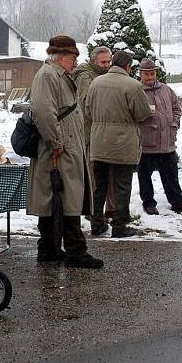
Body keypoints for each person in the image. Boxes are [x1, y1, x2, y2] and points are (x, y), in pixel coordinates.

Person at [28, 35, 103, 268]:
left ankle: (50, 248)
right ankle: (75, 250)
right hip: (59, 149)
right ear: (60, 57)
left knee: (61, 199)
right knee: (65, 199)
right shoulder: (49, 75)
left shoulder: (58, 75)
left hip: (66, 147)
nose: (74, 62)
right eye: (72, 57)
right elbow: (43, 111)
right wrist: (56, 142)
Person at [84, 50, 151, 238]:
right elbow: (142, 114)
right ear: (128, 66)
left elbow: (88, 110)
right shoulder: (132, 86)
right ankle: (120, 226)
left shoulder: (96, 83)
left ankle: (97, 223)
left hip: (99, 142)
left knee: (99, 186)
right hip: (123, 143)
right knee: (122, 186)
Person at [136, 59, 182, 215]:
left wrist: (174, 123)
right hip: (147, 143)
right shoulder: (136, 91)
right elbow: (131, 114)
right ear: (140, 74)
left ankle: (178, 202)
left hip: (167, 143)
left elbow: (176, 109)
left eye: (152, 73)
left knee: (171, 176)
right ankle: (148, 203)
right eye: (146, 74)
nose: (150, 77)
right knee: (145, 178)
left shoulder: (166, 90)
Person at [73, 45, 114, 235]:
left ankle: (106, 210)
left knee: (104, 174)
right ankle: (92, 211)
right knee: (93, 177)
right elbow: (86, 102)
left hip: (102, 132)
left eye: (109, 61)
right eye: (103, 62)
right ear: (94, 61)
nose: (107, 65)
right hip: (89, 133)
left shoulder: (102, 75)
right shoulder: (85, 76)